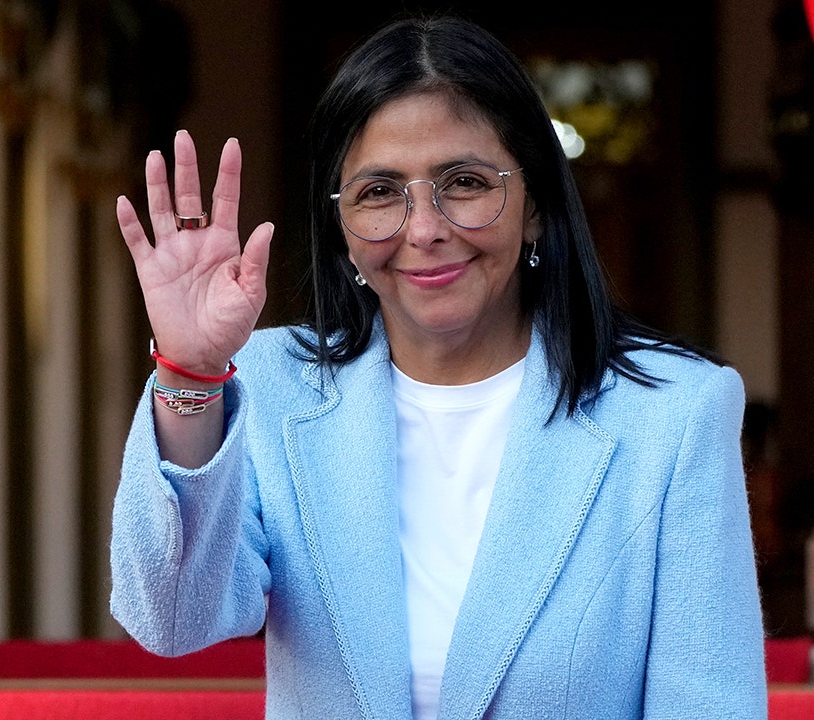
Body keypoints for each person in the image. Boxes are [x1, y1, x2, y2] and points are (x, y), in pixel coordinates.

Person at [110, 14, 766, 720]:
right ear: (342, 227)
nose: (424, 229)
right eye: (378, 192)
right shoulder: (271, 386)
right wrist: (191, 373)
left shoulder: (675, 413)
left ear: (535, 206)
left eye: (465, 182)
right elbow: (171, 620)